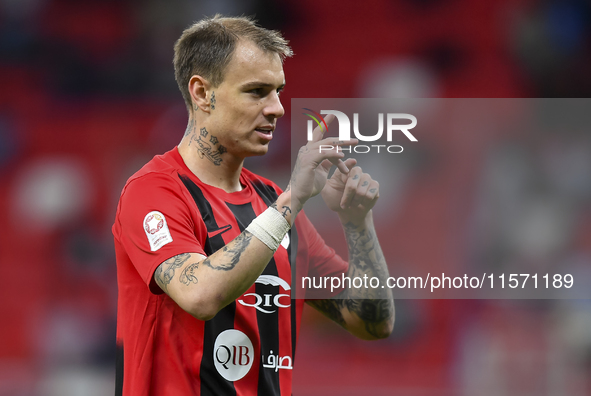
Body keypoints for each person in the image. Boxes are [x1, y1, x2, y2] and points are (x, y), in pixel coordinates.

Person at [113, 14, 394, 396]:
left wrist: (357, 222)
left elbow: (371, 322)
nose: (277, 108)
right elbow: (200, 295)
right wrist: (292, 202)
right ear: (201, 93)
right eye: (257, 91)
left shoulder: (272, 203)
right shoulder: (155, 190)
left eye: (278, 90)